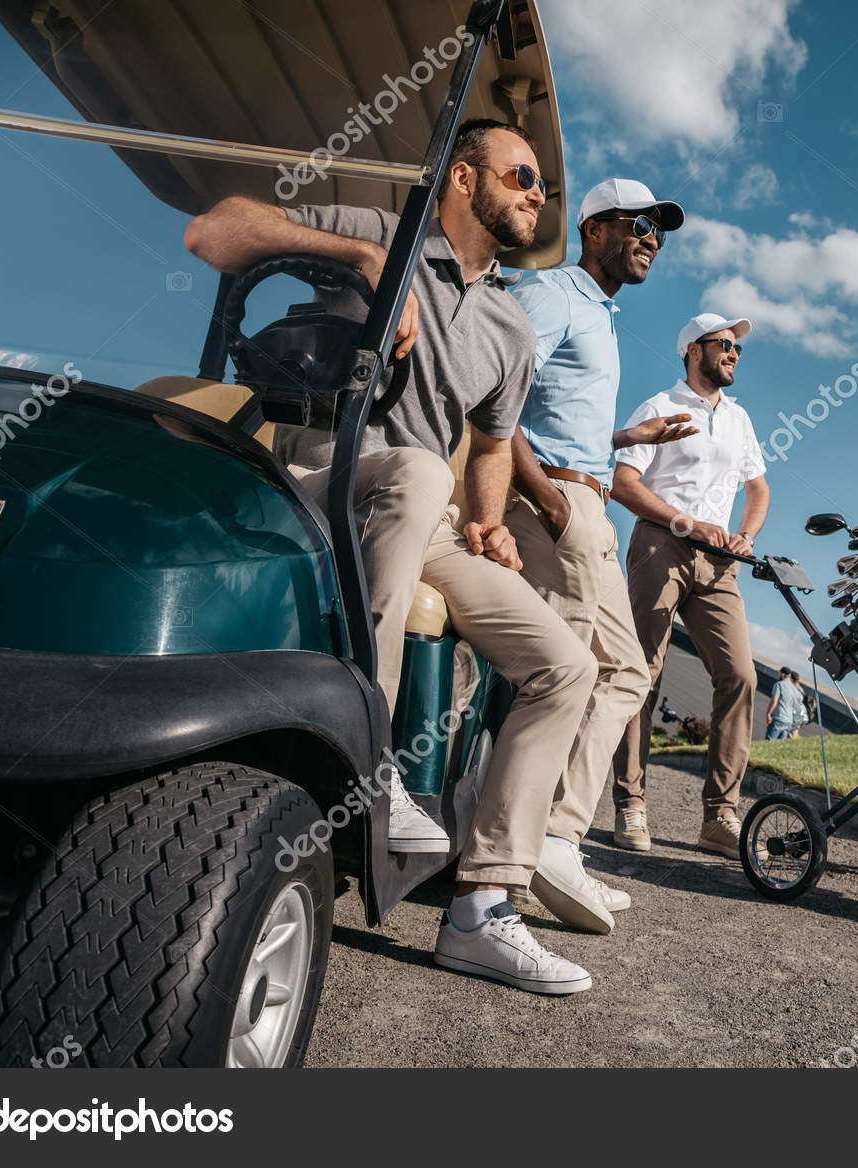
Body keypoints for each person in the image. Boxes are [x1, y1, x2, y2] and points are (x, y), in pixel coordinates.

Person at [184, 119, 599, 995]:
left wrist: (490, 523)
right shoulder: (379, 233)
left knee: (566, 663)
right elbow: (212, 232)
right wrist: (361, 261)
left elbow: (489, 447)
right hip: (309, 468)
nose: (537, 194)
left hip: (426, 515)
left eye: (542, 188)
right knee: (411, 469)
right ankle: (369, 766)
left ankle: (484, 908)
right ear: (461, 176)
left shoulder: (511, 328)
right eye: (523, 176)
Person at [503, 178, 692, 932]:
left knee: (625, 673)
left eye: (660, 231)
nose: (652, 238)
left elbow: (560, 415)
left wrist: (626, 440)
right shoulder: (550, 293)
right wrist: (547, 500)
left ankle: (557, 838)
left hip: (586, 499)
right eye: (640, 224)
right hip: (558, 504)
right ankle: (510, 863)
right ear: (596, 227)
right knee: (572, 677)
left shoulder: (600, 315)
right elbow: (490, 397)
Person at [610, 313, 770, 858]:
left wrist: (744, 535)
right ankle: (630, 802)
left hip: (720, 562)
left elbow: (758, 488)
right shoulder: (658, 407)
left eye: (738, 348)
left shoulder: (740, 419)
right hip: (662, 545)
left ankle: (719, 816)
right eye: (723, 344)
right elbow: (622, 483)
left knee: (740, 675)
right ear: (691, 350)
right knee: (643, 671)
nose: (733, 353)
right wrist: (685, 522)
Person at [766, 667, 805, 739]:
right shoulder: (795, 689)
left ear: (782, 674)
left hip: (778, 718)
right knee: (779, 746)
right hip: (788, 722)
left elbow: (774, 700)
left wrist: (768, 713)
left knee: (769, 742)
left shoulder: (779, 684)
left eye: (779, 673)